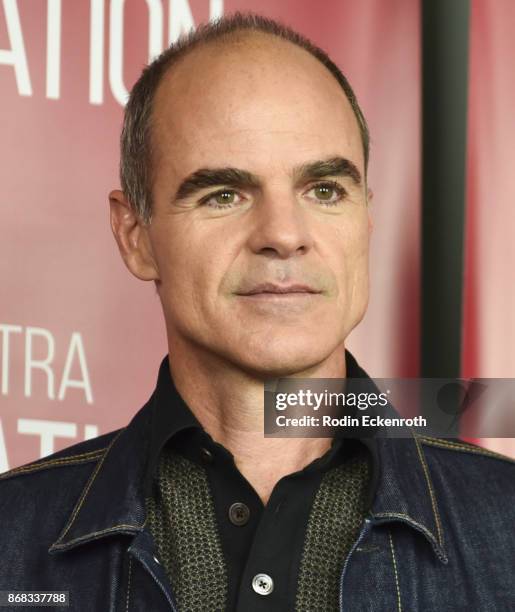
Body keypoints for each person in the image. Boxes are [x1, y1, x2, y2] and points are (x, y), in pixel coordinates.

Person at [1, 12, 514, 612]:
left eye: (324, 190)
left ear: (367, 217)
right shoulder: (14, 540)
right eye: (224, 194)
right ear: (135, 234)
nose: (284, 235)